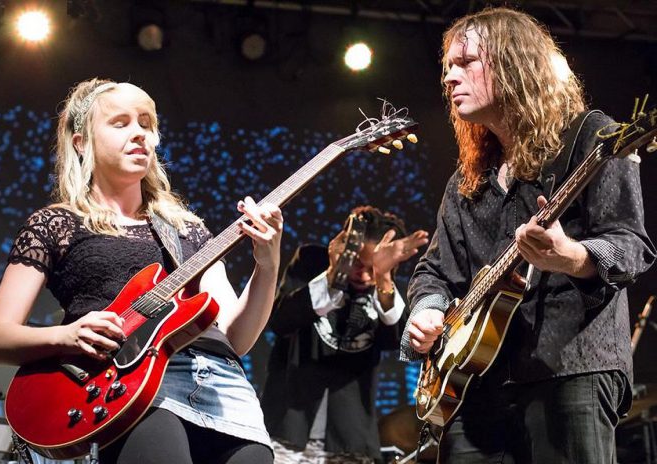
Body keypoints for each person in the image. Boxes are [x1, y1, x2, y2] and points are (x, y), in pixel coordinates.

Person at [0, 78, 283, 464]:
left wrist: (267, 265)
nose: (139, 133)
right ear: (82, 142)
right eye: (120, 123)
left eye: (147, 123)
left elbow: (236, 337)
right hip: (131, 388)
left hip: (226, 391)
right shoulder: (55, 223)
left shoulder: (188, 228)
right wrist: (68, 335)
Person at [402, 7, 655, 464]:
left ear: (513, 64)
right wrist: (426, 310)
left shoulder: (592, 138)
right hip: (475, 384)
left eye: (466, 63)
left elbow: (631, 244)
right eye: (447, 69)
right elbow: (434, 270)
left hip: (570, 368)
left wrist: (570, 256)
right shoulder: (468, 180)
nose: (450, 78)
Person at [261, 205, 429, 463]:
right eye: (357, 263)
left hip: (350, 442)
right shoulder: (311, 262)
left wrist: (382, 277)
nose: (362, 274)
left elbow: (399, 341)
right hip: (287, 430)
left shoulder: (388, 290)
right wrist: (333, 274)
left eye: (372, 266)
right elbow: (282, 321)